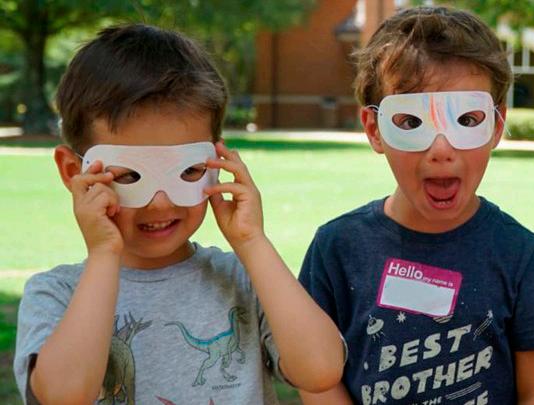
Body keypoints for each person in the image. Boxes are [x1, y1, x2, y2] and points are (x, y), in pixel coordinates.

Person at [13, 24, 345, 405]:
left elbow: (321, 369)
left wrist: (253, 242)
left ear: (217, 162)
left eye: (188, 171)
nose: (160, 203)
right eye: (129, 176)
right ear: (75, 173)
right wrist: (104, 253)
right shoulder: (56, 294)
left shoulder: (244, 279)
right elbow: (65, 396)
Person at [298, 6, 534, 405]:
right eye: (411, 123)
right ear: (374, 129)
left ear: (496, 126)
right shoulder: (336, 249)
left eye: (467, 120)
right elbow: (314, 377)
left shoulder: (523, 256)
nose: (441, 149)